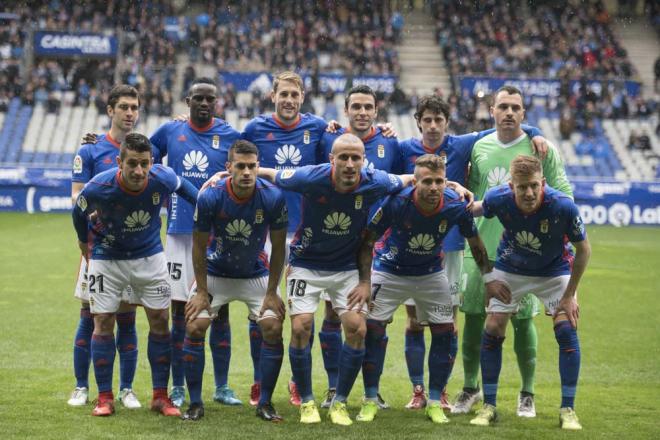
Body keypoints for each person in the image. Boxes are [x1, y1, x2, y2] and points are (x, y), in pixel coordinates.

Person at [399, 95, 546, 410]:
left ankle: (443, 391)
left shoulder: (463, 144)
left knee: (448, 324)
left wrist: (535, 132)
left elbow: (506, 125)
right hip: (410, 246)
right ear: (418, 121)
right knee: (413, 323)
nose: (434, 125)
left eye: (439, 120)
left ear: (447, 123)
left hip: (451, 246)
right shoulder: (403, 149)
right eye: (428, 120)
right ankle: (418, 389)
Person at [256, 133, 412, 425]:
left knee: (356, 328)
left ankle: (339, 402)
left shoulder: (375, 181)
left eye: (356, 158)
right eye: (343, 157)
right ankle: (306, 401)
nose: (350, 164)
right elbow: (273, 174)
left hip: (346, 269)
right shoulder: (310, 177)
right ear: (332, 160)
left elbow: (408, 179)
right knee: (301, 327)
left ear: (364, 161)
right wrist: (233, 172)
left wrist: (450, 183)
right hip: (305, 264)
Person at [456, 85, 573, 417]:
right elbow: (476, 194)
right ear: (491, 110)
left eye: (515, 108)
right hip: (479, 250)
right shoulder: (478, 146)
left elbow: (563, 193)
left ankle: (527, 394)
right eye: (503, 107)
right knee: (475, 319)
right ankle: (470, 388)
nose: (509, 113)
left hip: (526, 255)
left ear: (524, 113)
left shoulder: (540, 149)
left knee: (523, 322)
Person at [355, 154, 491, 424]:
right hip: (390, 271)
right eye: (427, 181)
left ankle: (434, 401)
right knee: (372, 330)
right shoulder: (397, 202)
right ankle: (370, 399)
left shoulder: (455, 205)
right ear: (415, 182)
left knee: (445, 332)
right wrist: (365, 282)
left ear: (446, 182)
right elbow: (367, 240)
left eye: (439, 181)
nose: (433, 187)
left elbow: (475, 243)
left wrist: (489, 279)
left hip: (430, 274)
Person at [72, 133, 198, 417]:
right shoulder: (100, 185)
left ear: (152, 162)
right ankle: (104, 398)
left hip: (150, 257)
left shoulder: (162, 177)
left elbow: (194, 195)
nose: (139, 171)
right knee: (102, 321)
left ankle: (159, 396)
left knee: (159, 321)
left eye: (145, 164)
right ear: (119, 162)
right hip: (107, 257)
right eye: (132, 164)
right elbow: (78, 211)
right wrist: (84, 241)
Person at [469, 155, 589, 430]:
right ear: (511, 186)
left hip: (554, 270)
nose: (529, 192)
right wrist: (458, 199)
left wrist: (570, 295)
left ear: (543, 182)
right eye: (522, 187)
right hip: (511, 267)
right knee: (493, 327)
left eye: (535, 186)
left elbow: (584, 250)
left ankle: (568, 409)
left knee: (566, 330)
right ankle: (489, 405)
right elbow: (475, 210)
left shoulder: (563, 205)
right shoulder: (498, 197)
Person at [149, 77, 242, 408]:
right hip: (179, 233)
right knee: (179, 312)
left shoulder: (230, 135)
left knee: (221, 310)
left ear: (218, 103)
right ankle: (177, 386)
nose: (205, 104)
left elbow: (246, 168)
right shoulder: (169, 132)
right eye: (199, 99)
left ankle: (222, 386)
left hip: (218, 235)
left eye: (210, 100)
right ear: (187, 100)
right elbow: (138, 155)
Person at [181, 140, 288, 422]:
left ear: (258, 166)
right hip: (216, 272)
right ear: (229, 168)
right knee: (194, 324)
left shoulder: (273, 197)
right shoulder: (211, 196)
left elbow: (278, 248)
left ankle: (265, 402)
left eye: (252, 166)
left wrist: (272, 292)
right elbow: (198, 246)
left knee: (272, 326)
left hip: (255, 273)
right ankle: (194, 403)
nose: (246, 172)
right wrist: (202, 291)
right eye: (240, 166)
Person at [316, 84, 402, 409]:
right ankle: (333, 386)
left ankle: (371, 390)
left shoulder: (390, 142)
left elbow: (410, 176)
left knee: (372, 321)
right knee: (332, 314)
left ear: (377, 111)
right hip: (336, 241)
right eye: (356, 107)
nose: (363, 112)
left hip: (376, 242)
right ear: (346, 110)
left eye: (368, 107)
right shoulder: (329, 138)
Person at [68, 84, 150, 408]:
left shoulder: (144, 148)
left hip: (132, 250)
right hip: (97, 249)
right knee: (90, 317)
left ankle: (126, 389)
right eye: (124, 107)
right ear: (110, 110)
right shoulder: (90, 151)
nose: (130, 113)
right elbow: (76, 196)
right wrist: (94, 221)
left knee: (127, 319)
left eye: (135, 107)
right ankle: (80, 387)